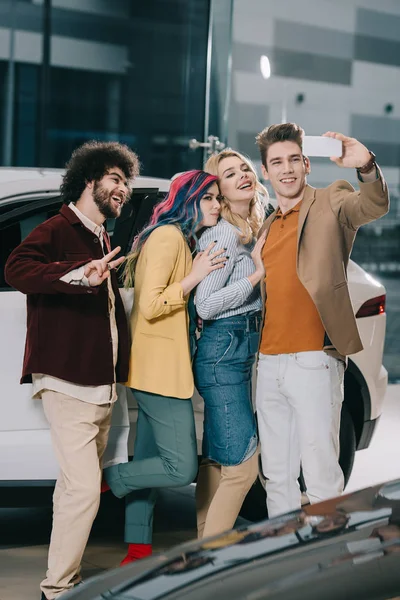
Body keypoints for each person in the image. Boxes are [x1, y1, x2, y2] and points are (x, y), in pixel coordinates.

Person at [5, 141, 139, 599]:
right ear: (89, 180)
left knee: (72, 489)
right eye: (115, 179)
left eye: (127, 182)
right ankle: (58, 588)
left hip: (100, 386)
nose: (123, 189)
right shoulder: (60, 227)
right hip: (67, 383)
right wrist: (81, 274)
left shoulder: (101, 236)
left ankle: (65, 578)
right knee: (84, 490)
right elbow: (17, 268)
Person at [254, 123, 390, 518]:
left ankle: (329, 563)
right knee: (276, 475)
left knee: (321, 473)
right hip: (269, 362)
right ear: (266, 171)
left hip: (314, 359)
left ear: (306, 163)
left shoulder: (332, 201)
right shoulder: (266, 225)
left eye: (294, 159)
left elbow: (374, 205)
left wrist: (364, 165)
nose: (287, 169)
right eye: (276, 162)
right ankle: (282, 560)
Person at [102, 170, 226, 564]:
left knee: (151, 460)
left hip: (158, 369)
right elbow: (152, 304)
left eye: (218, 199)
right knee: (180, 466)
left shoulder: (180, 238)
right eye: (208, 198)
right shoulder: (168, 238)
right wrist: (194, 278)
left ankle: (138, 549)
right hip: (159, 373)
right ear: (187, 199)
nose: (217, 206)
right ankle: (108, 480)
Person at [193, 149, 268, 538]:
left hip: (234, 351)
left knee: (217, 462)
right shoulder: (222, 232)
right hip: (223, 353)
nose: (242, 175)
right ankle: (210, 566)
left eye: (244, 169)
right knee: (242, 469)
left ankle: (197, 560)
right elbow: (205, 303)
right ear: (218, 190)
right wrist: (255, 277)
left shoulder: (248, 228)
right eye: (229, 174)